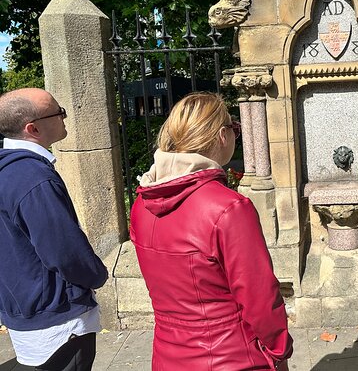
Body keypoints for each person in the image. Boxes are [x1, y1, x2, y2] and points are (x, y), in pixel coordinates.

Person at [130, 92, 293, 371]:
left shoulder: (141, 204)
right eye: (235, 129)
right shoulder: (229, 209)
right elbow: (261, 299)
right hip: (232, 358)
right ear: (221, 136)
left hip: (169, 357)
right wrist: (280, 351)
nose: (235, 137)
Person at [0, 88, 108, 370]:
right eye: (58, 113)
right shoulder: (32, 178)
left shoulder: (9, 170)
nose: (64, 117)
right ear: (32, 128)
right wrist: (96, 276)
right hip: (58, 318)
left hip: (26, 306)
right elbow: (64, 252)